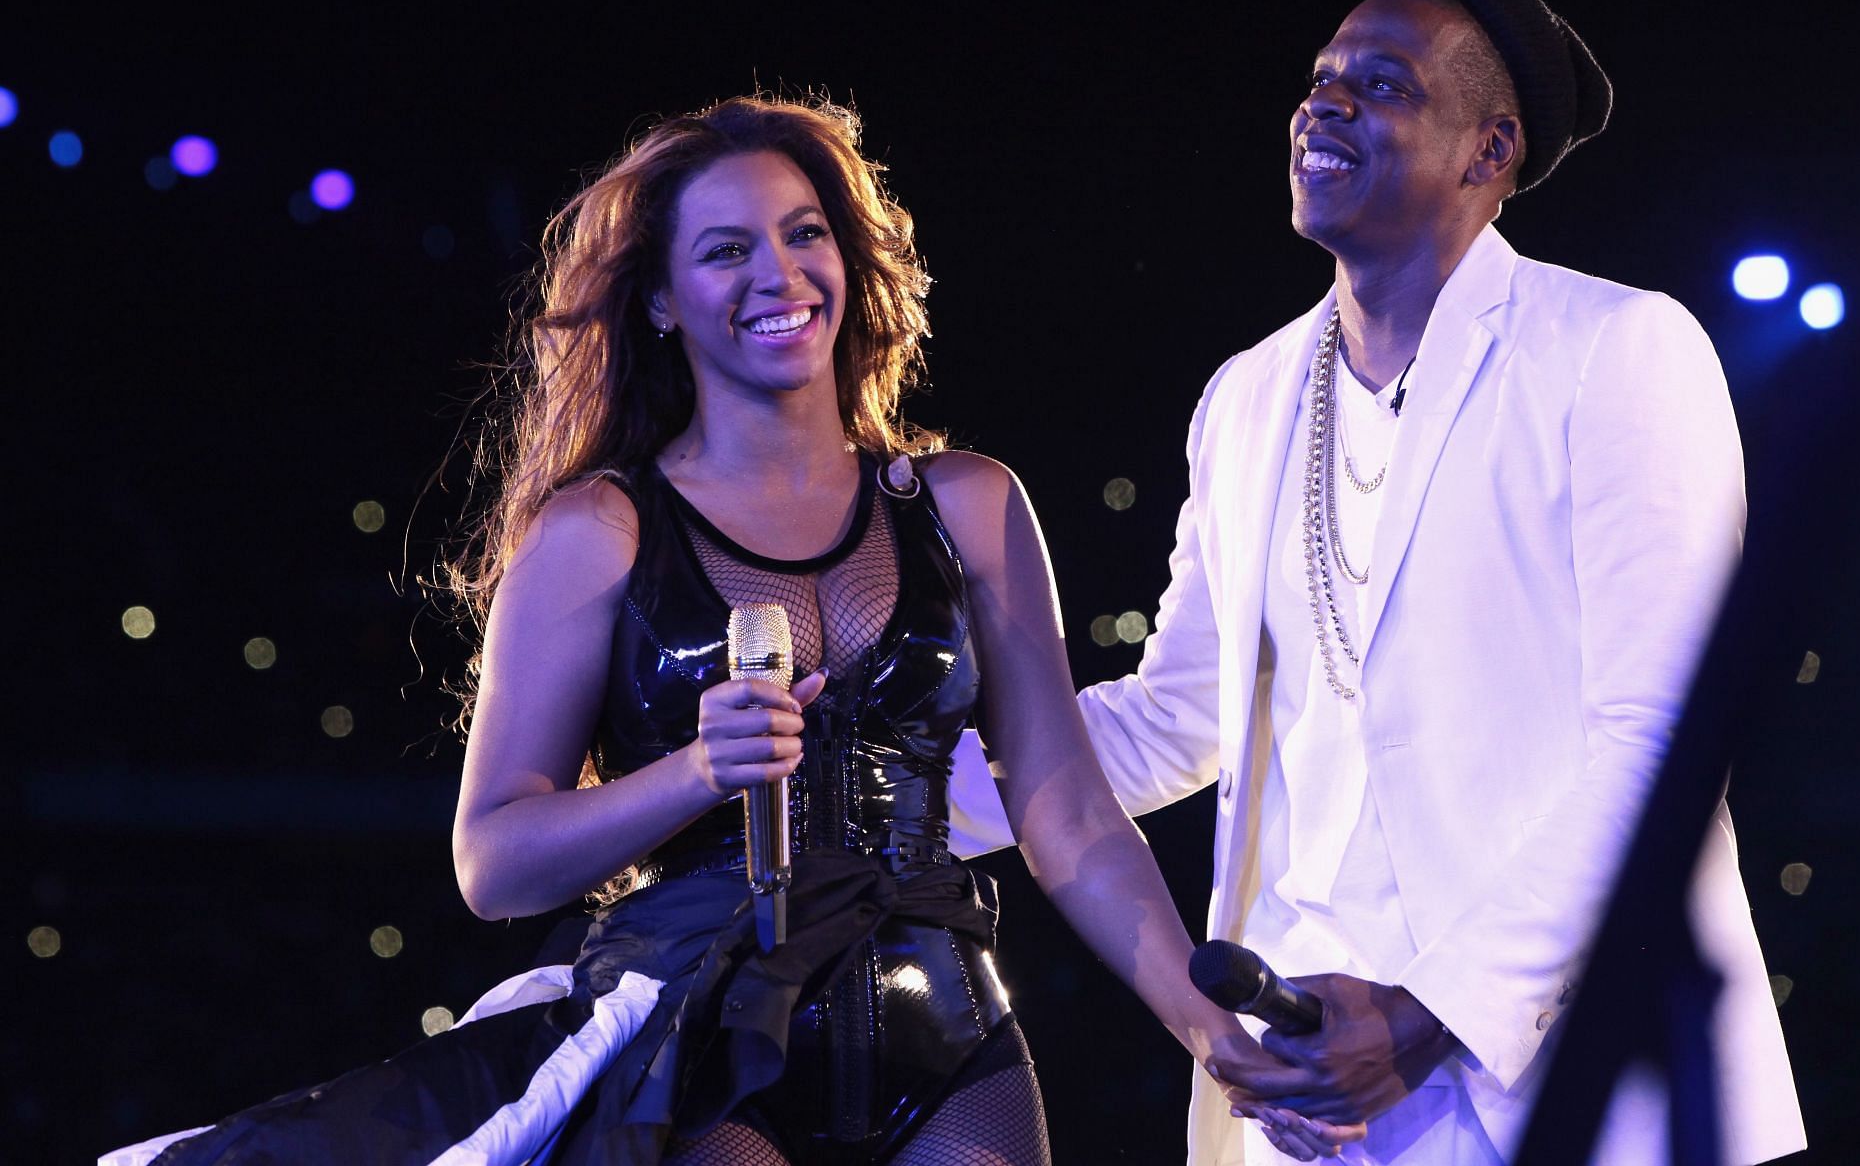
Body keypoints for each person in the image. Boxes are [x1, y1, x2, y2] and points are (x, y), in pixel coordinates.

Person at [102, 95, 1298, 1166]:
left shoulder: (970, 505)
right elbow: (493, 859)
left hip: (949, 1034)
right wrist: (692, 771)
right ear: (665, 300)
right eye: (726, 251)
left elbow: (1070, 812)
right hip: (701, 1037)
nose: (778, 274)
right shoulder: (600, 531)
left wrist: (1205, 1024)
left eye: (804, 232)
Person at [949, 0, 1805, 1164]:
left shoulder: (1616, 350)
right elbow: (1177, 715)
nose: (1324, 106)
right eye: (1320, 82)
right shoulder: (1246, 397)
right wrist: (884, 799)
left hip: (1579, 1083)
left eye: (1382, 86)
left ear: (1489, 148)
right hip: (1315, 1091)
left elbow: (1664, 738)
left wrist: (1425, 1013)